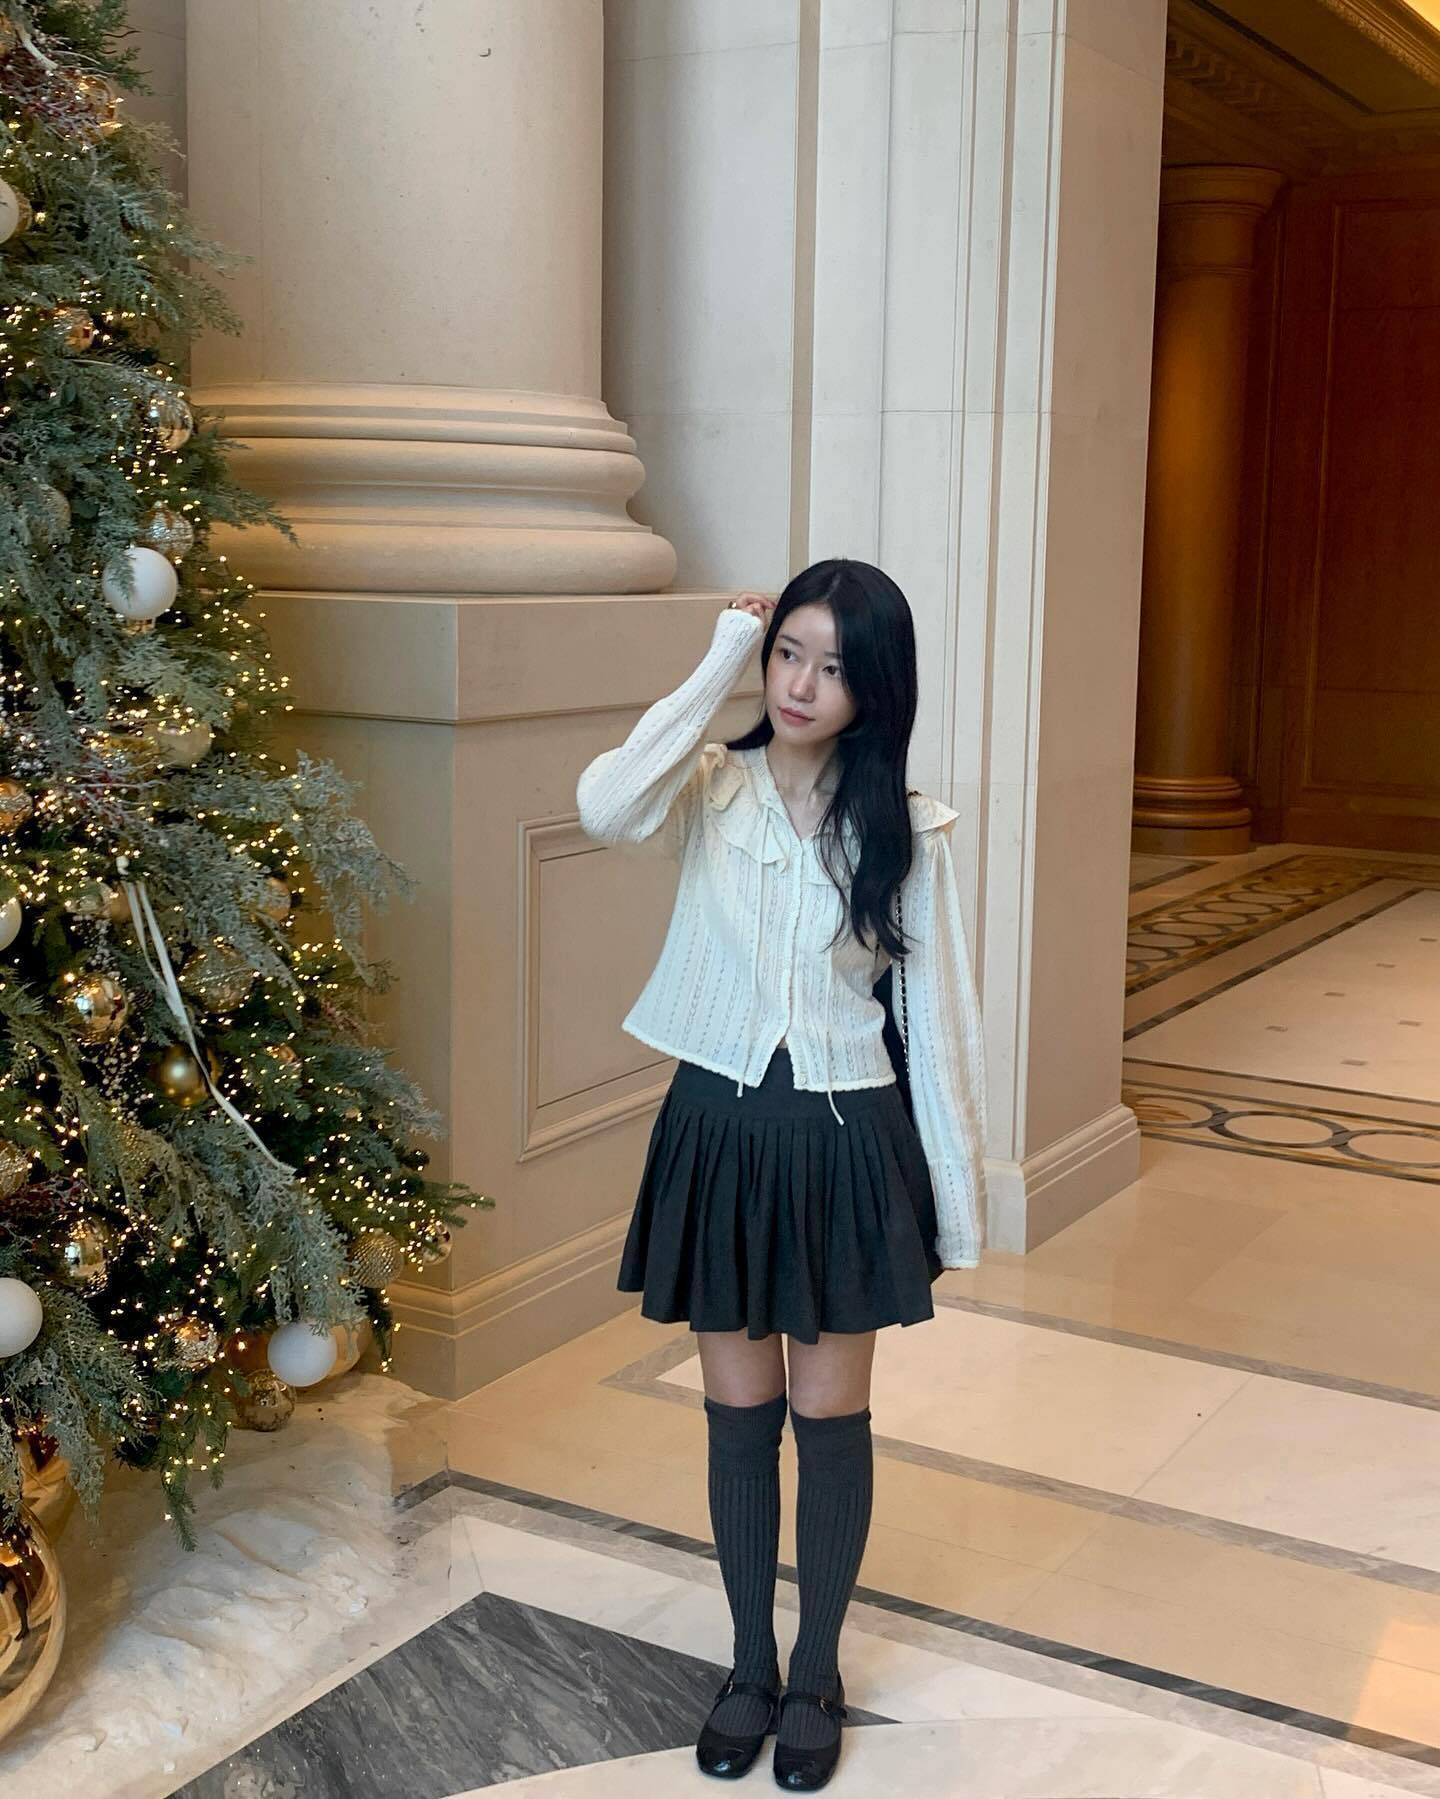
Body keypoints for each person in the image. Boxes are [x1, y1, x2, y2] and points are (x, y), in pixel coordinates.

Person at [575, 558, 988, 1790]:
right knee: (739, 1416)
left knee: (828, 1415)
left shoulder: (907, 829)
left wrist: (952, 1205)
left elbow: (939, 1027)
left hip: (846, 1140)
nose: (803, 684)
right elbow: (604, 805)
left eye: (835, 666)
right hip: (715, 1129)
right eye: (790, 653)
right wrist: (718, 659)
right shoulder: (709, 786)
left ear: (876, 690)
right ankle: (748, 1665)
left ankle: (816, 1672)